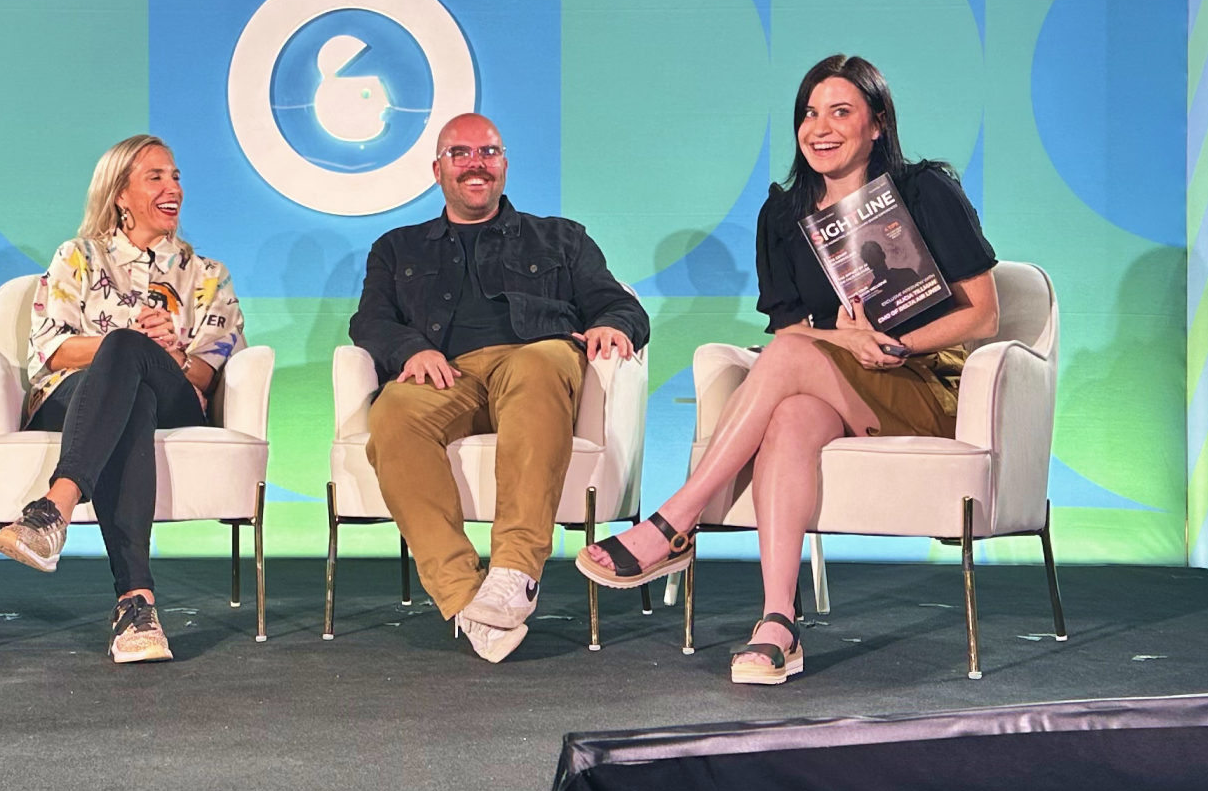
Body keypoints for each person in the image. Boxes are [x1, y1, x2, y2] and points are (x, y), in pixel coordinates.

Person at [577, 54, 999, 685]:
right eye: (809, 113)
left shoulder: (924, 190)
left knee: (787, 358)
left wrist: (895, 344)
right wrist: (845, 340)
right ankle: (778, 622)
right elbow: (790, 327)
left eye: (840, 112)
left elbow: (984, 314)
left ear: (877, 124)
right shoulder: (783, 215)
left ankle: (675, 521)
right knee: (793, 415)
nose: (819, 128)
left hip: (922, 382)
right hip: (838, 379)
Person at [352, 113, 647, 663]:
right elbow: (370, 321)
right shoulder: (396, 248)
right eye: (460, 153)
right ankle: (466, 597)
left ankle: (513, 572)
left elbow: (617, 303)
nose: (476, 164)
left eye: (488, 152)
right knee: (393, 412)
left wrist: (613, 324)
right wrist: (411, 350)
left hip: (535, 359)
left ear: (504, 164)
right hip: (448, 373)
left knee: (537, 363)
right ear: (437, 169)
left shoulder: (560, 237)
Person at [0, 135, 246, 664]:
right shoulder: (78, 257)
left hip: (176, 395)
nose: (173, 188)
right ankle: (136, 607)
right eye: (156, 177)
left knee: (136, 362)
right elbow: (52, 350)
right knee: (131, 390)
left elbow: (207, 372)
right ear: (120, 194)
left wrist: (169, 350)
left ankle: (52, 510)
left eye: (176, 177)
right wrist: (121, 344)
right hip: (73, 396)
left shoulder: (207, 275)